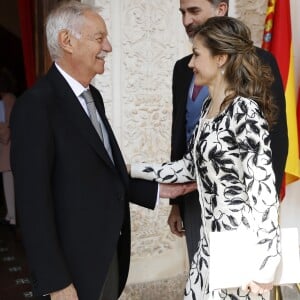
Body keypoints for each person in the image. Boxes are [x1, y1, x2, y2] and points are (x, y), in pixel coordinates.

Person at [10, 2, 195, 300]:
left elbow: (102, 172)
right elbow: (32, 205)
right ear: (67, 42)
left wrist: (160, 190)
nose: (107, 47)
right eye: (99, 38)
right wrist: (56, 282)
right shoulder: (36, 107)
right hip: (71, 269)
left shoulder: (92, 95)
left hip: (106, 256)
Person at [130, 16, 281, 300]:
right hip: (209, 249)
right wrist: (131, 169)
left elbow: (264, 194)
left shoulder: (244, 113)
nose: (191, 63)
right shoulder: (209, 108)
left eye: (197, 54)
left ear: (221, 58)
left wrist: (265, 268)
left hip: (241, 256)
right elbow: (188, 167)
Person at [168, 0, 287, 264]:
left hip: (240, 205)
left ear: (221, 9)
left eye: (194, 11)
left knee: (238, 281)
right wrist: (175, 204)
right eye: (182, 13)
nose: (186, 20)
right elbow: (180, 135)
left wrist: (263, 209)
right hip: (192, 198)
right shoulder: (182, 69)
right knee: (203, 277)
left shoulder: (262, 61)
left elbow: (276, 138)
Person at [0, 67, 16, 226]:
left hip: (8, 149)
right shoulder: (9, 99)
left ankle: (12, 216)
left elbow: (5, 130)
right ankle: (10, 215)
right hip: (8, 149)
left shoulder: (6, 101)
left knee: (9, 183)